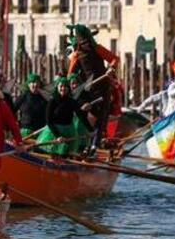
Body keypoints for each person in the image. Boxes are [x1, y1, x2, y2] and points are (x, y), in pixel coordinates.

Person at [66, 24, 119, 152]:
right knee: (84, 116)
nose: (85, 44)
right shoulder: (76, 56)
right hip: (88, 90)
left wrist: (111, 68)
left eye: (86, 40)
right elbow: (70, 75)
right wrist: (74, 82)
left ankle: (95, 143)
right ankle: (84, 143)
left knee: (102, 116)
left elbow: (114, 59)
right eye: (82, 41)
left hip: (103, 86)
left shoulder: (98, 49)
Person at [36, 76, 93, 156]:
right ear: (57, 87)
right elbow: (48, 120)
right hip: (54, 132)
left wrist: (90, 130)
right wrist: (58, 136)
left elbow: (81, 115)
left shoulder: (72, 101)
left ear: (68, 89)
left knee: (66, 155)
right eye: (61, 86)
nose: (63, 88)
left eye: (65, 86)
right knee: (52, 153)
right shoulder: (52, 101)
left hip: (69, 132)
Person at [13, 73, 48, 139]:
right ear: (28, 84)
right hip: (25, 131)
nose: (35, 84)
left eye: (37, 82)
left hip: (40, 132)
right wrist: (16, 123)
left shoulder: (43, 98)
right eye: (33, 82)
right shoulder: (23, 97)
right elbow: (12, 111)